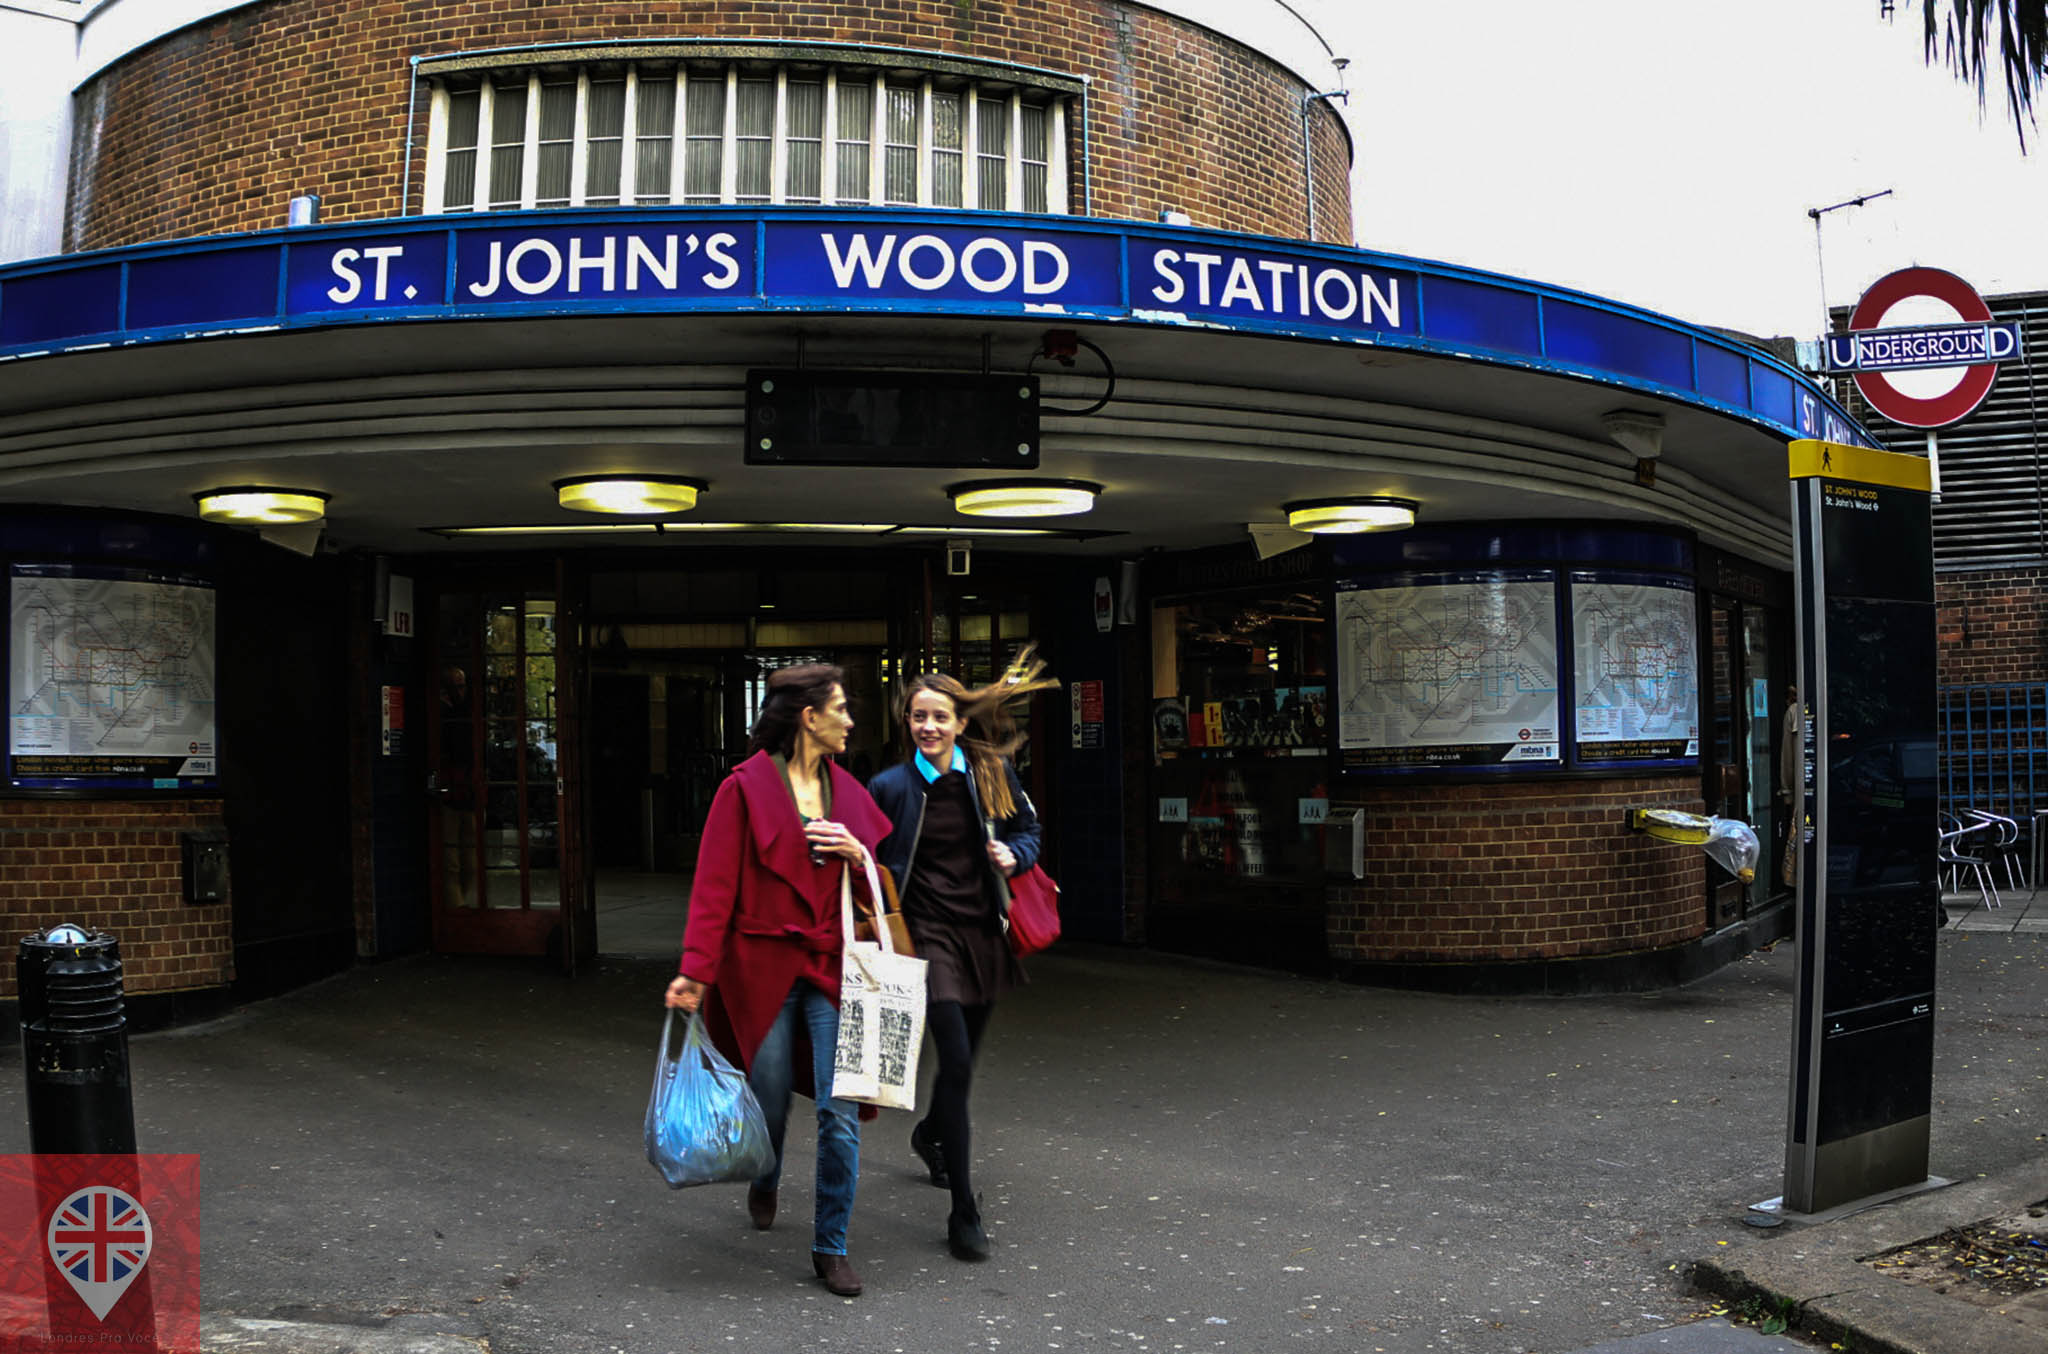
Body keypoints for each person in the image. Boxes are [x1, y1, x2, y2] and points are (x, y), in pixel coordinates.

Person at [664, 663, 891, 1298]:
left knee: (839, 1112)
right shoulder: (742, 790)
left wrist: (857, 853)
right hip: (760, 967)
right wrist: (694, 971)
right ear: (807, 717)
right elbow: (714, 889)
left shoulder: (850, 791)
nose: (850, 720)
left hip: (833, 965)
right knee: (765, 1097)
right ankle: (765, 1174)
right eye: (840, 709)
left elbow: (882, 874)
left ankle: (831, 1245)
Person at [866, 648, 1058, 1262]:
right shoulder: (890, 787)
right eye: (919, 717)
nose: (929, 726)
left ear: (961, 722)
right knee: (952, 1054)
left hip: (982, 931)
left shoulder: (991, 776)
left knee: (961, 1069)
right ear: (908, 724)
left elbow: (1029, 832)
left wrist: (1015, 856)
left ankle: (930, 1133)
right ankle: (964, 1212)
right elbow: (868, 863)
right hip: (925, 937)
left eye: (940, 716)